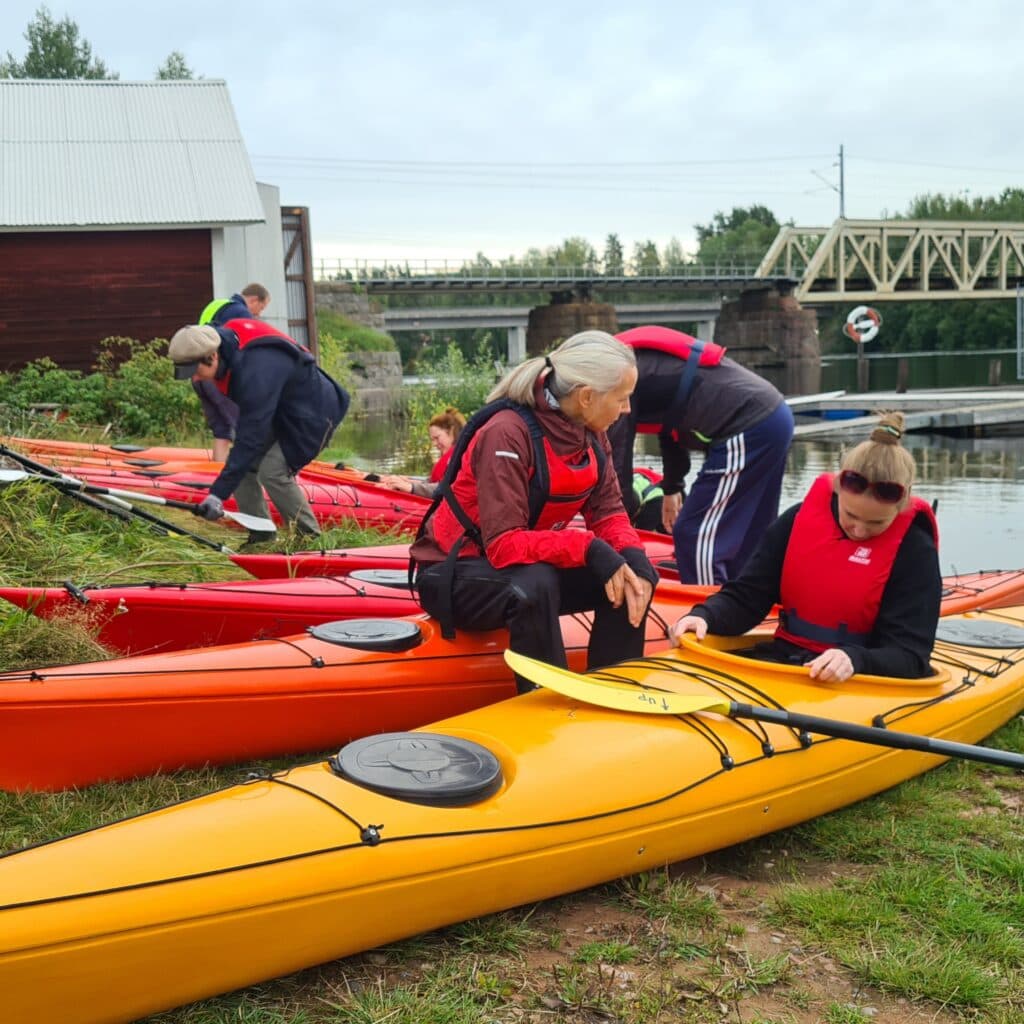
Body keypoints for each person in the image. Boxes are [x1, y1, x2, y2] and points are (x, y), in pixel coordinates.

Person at [411, 330, 659, 691]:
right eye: (621, 399)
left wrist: (633, 558)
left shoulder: (591, 431)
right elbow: (504, 545)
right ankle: (547, 703)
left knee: (632, 577)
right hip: (452, 576)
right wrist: (588, 548)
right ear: (587, 396)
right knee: (534, 583)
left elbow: (607, 511)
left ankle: (615, 686)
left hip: (516, 568)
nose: (627, 410)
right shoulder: (506, 433)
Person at [669, 413, 941, 680]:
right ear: (836, 488)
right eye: (850, 515)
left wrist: (854, 659)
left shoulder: (915, 551)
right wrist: (706, 616)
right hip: (787, 659)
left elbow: (911, 657)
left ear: (901, 505)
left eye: (875, 523)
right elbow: (747, 597)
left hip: (860, 677)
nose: (859, 529)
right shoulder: (797, 521)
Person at [607, 325, 794, 585]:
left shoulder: (612, 381)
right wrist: (672, 488)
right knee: (750, 534)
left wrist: (615, 540)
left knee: (694, 534)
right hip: (772, 416)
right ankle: (748, 600)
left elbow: (617, 469)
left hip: (747, 422)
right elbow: (671, 420)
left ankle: (709, 613)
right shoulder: (635, 365)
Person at [167, 319, 350, 545]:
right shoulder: (223, 346)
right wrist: (223, 487)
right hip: (280, 410)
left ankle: (310, 540)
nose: (194, 378)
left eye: (195, 370)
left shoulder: (255, 372)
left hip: (315, 414)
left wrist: (217, 495)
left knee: (272, 472)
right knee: (243, 471)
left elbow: (250, 437)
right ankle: (262, 536)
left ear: (213, 356)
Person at [194, 284, 271, 460]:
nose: (258, 314)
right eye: (261, 307)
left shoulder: (217, 306)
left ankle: (217, 474)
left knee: (222, 431)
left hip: (198, 374)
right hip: (217, 377)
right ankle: (247, 477)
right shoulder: (242, 313)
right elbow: (248, 350)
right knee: (243, 426)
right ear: (253, 300)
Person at [377, 407, 466, 497]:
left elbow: (450, 488)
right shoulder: (453, 456)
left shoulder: (463, 458)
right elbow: (433, 481)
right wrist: (407, 481)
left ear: (451, 431)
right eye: (432, 440)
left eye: (437, 438)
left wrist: (410, 487)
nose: (434, 444)